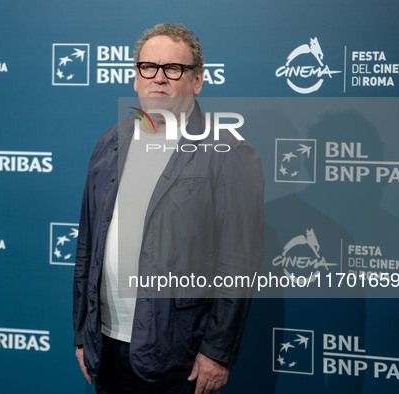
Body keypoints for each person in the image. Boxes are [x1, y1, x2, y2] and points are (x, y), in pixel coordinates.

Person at [73, 22, 264, 393]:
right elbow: (87, 246)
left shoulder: (230, 153)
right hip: (107, 347)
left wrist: (217, 353)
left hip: (180, 357)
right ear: (135, 77)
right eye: (149, 67)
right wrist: (83, 332)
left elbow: (239, 265)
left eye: (174, 69)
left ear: (197, 81)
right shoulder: (108, 144)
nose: (159, 78)